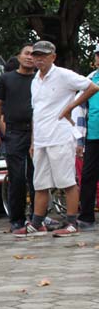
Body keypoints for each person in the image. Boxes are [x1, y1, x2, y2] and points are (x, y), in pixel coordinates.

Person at [25, 41, 99, 237]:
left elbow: (92, 87)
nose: (38, 59)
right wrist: (33, 141)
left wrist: (69, 108)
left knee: (66, 181)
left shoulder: (63, 75)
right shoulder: (35, 81)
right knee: (40, 183)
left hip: (60, 135)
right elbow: (37, 112)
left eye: (43, 55)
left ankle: (72, 222)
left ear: (53, 57)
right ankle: (37, 223)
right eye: (36, 55)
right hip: (41, 138)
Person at [0, 44, 36, 232]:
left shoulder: (40, 79)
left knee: (37, 177)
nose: (30, 57)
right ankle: (16, 219)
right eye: (27, 53)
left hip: (37, 133)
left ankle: (37, 217)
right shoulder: (6, 79)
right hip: (14, 133)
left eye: (34, 55)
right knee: (16, 177)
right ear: (19, 56)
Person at [61, 43, 99, 232]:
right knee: (88, 176)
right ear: (95, 59)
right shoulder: (89, 81)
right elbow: (80, 113)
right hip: (93, 136)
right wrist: (79, 142)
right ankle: (86, 217)